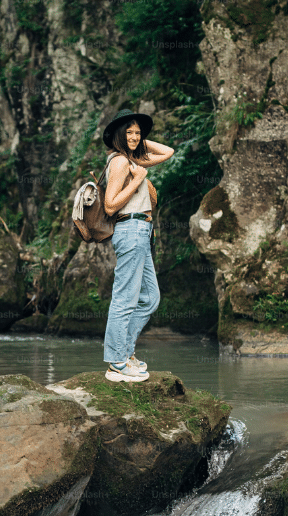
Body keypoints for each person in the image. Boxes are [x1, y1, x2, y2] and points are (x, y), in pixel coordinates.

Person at [101, 109, 174, 383]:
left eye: (137, 132)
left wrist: (142, 142)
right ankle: (117, 362)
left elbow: (168, 152)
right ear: (119, 135)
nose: (133, 136)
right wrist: (138, 181)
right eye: (128, 132)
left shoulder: (133, 160)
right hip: (130, 229)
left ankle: (125, 352)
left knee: (150, 299)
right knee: (124, 300)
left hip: (142, 231)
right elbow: (110, 204)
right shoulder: (120, 163)